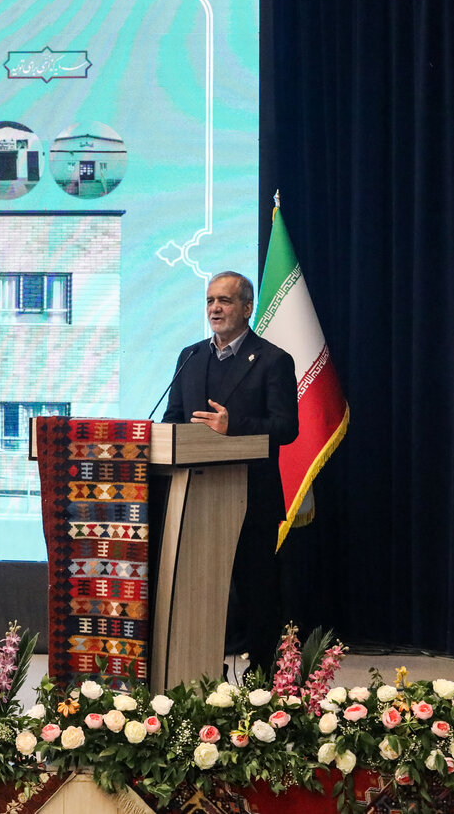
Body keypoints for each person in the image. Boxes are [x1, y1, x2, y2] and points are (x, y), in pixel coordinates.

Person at [162, 271, 298, 675]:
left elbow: (287, 428)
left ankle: (263, 678)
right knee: (200, 593)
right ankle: (203, 673)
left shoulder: (272, 360)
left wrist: (233, 425)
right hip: (195, 497)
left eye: (224, 300)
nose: (215, 309)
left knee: (256, 592)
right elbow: (173, 419)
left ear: (247, 308)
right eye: (210, 301)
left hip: (252, 498)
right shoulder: (190, 357)